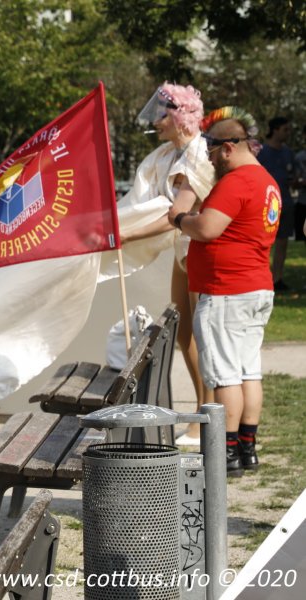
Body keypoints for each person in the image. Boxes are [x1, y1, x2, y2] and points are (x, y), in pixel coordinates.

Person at [168, 106, 276, 476]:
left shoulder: (237, 182)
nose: (211, 160)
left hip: (226, 291)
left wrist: (180, 218)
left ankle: (225, 453)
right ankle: (247, 447)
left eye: (213, 152)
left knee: (225, 375)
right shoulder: (267, 182)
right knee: (248, 372)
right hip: (255, 287)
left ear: (228, 148)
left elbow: (207, 228)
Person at [107, 83, 215, 444]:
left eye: (162, 114)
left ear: (181, 117)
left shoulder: (198, 154)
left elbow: (176, 214)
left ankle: (207, 419)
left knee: (201, 337)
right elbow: (145, 201)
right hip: (184, 252)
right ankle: (203, 412)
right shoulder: (169, 154)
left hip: (199, 250)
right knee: (184, 334)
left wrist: (127, 235)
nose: (155, 121)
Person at [258, 116, 296, 291]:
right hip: (265, 204)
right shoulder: (261, 152)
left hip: (285, 202)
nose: (288, 133)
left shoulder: (288, 153)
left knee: (282, 242)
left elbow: (292, 175)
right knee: (263, 243)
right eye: (285, 130)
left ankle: (277, 279)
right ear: (275, 130)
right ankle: (262, 279)